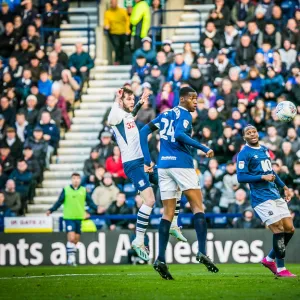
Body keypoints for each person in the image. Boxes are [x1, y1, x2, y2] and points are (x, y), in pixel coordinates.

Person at [140, 86, 218, 279]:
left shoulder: (165, 114)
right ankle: (201, 251)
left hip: (163, 166)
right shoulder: (184, 115)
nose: (195, 102)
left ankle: (160, 259)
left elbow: (143, 132)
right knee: (198, 208)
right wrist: (202, 147)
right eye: (192, 98)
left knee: (167, 214)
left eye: (196, 99)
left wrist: (147, 160)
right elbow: (179, 134)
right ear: (182, 99)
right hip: (181, 165)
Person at [107, 87, 185, 261]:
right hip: (133, 164)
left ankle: (173, 223)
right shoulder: (117, 114)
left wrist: (140, 103)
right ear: (121, 101)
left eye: (132, 99)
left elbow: (130, 116)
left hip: (142, 162)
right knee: (149, 200)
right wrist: (117, 98)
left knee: (176, 184)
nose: (132, 101)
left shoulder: (127, 116)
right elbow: (112, 119)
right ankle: (139, 240)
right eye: (129, 99)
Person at [237, 125, 296, 277]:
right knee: (278, 229)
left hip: (274, 194)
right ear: (245, 137)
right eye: (248, 133)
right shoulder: (244, 154)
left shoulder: (264, 149)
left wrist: (284, 187)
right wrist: (261, 177)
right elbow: (241, 177)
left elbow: (271, 171)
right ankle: (281, 269)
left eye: (254, 131)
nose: (252, 134)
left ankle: (269, 259)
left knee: (290, 229)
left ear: (258, 133)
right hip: (261, 197)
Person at [46, 173, 99, 266]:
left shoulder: (83, 190)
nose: (76, 180)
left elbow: (90, 202)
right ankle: (71, 259)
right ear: (71, 180)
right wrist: (51, 210)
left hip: (79, 218)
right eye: (74, 178)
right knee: (71, 237)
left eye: (78, 178)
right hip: (69, 217)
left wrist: (97, 208)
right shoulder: (66, 190)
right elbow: (59, 202)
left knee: (76, 240)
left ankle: (71, 257)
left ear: (80, 180)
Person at [104, 0, 130, 65]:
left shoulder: (122, 11)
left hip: (123, 32)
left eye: (115, 3)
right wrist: (107, 26)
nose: (114, 4)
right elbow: (106, 22)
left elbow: (127, 21)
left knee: (123, 47)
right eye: (112, 3)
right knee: (117, 46)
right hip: (114, 33)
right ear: (110, 4)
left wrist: (127, 30)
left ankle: (123, 61)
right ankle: (117, 60)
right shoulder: (108, 12)